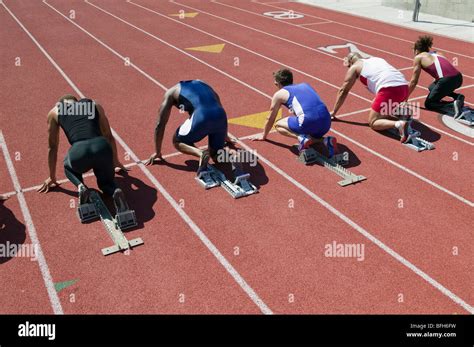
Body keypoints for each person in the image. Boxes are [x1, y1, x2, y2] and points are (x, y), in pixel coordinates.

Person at [37, 95, 130, 212]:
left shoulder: (55, 111)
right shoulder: (95, 104)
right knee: (106, 183)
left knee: (67, 165)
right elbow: (108, 135)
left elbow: (52, 146)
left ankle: (81, 187)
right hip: (101, 147)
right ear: (77, 100)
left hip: (79, 152)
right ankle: (114, 191)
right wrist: (115, 161)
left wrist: (52, 176)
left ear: (60, 103)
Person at [146, 80, 235, 172]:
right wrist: (224, 135)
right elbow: (218, 106)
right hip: (221, 116)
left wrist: (157, 151)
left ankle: (201, 153)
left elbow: (160, 124)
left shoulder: (171, 92)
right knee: (217, 156)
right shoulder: (204, 84)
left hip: (201, 116)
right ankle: (232, 155)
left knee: (177, 141)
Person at [252, 68, 337, 156]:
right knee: (308, 123)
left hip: (309, 122)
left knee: (278, 124)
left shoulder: (279, 94)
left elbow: (271, 117)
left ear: (277, 83)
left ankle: (302, 138)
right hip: (327, 123)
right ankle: (325, 140)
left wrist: (264, 135)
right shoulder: (305, 85)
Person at [331, 53, 412, 143]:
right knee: (376, 102)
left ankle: (399, 124)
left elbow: (343, 91)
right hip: (404, 86)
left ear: (350, 62)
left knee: (373, 122)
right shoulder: (376, 59)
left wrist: (334, 112)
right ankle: (402, 112)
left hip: (390, 90)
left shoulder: (354, 67)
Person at [408, 35, 464, 118]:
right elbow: (444, 67)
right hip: (459, 78)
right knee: (432, 88)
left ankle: (452, 104)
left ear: (416, 50)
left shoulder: (418, 57)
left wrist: (405, 98)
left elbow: (413, 81)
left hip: (447, 80)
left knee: (429, 104)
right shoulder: (437, 53)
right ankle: (457, 97)